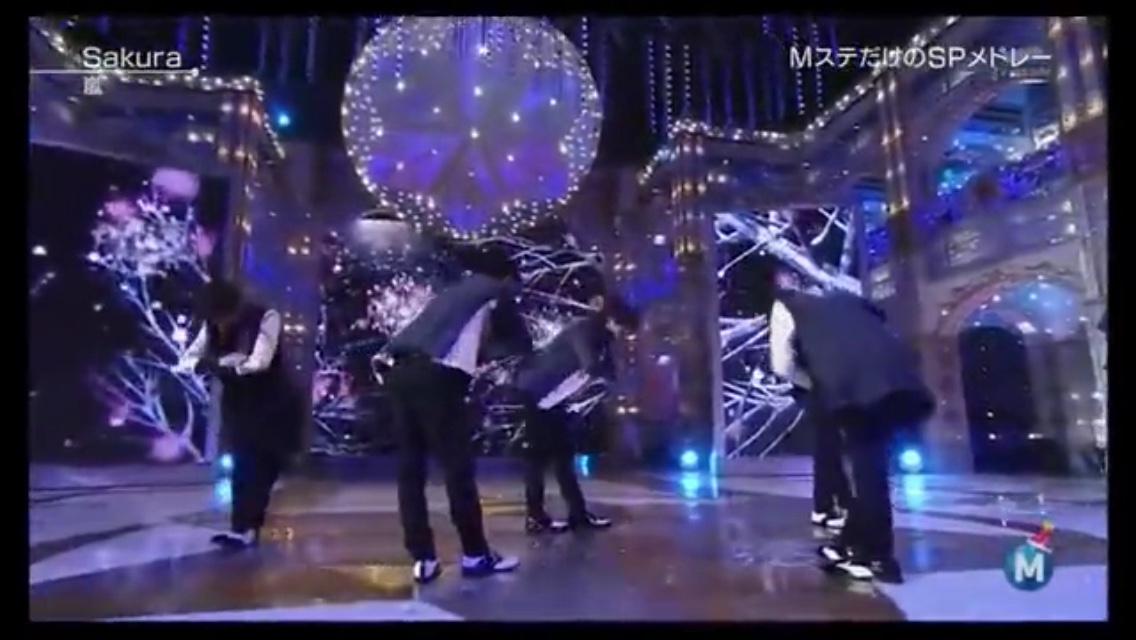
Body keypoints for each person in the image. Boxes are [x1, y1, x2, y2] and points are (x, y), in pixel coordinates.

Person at [373, 246, 534, 585]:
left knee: (410, 471)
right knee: (457, 469)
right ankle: (475, 554)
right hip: (438, 378)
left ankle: (423, 559)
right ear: (507, 277)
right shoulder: (496, 290)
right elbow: (522, 342)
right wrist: (490, 355)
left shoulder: (453, 293)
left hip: (398, 373)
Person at [769, 269, 933, 584]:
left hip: (853, 388)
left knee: (868, 473)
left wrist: (818, 384)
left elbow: (782, 366)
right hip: (898, 380)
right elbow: (880, 328)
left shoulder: (786, 306)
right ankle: (850, 542)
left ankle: (877, 558)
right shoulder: (848, 299)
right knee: (871, 468)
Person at [174, 279, 302, 550]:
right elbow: (188, 360)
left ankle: (248, 527)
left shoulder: (265, 318)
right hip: (238, 403)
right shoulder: (212, 325)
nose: (221, 323)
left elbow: (259, 362)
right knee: (242, 464)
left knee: (261, 466)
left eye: (225, 316)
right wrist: (217, 364)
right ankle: (241, 527)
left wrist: (220, 364)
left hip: (272, 402)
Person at [511, 293, 639, 534]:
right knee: (537, 459)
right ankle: (536, 517)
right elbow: (590, 364)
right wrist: (605, 372)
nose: (622, 335)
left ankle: (577, 514)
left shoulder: (601, 338)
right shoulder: (584, 330)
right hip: (536, 394)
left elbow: (605, 371)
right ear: (612, 320)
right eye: (622, 328)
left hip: (554, 399)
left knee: (563, 456)